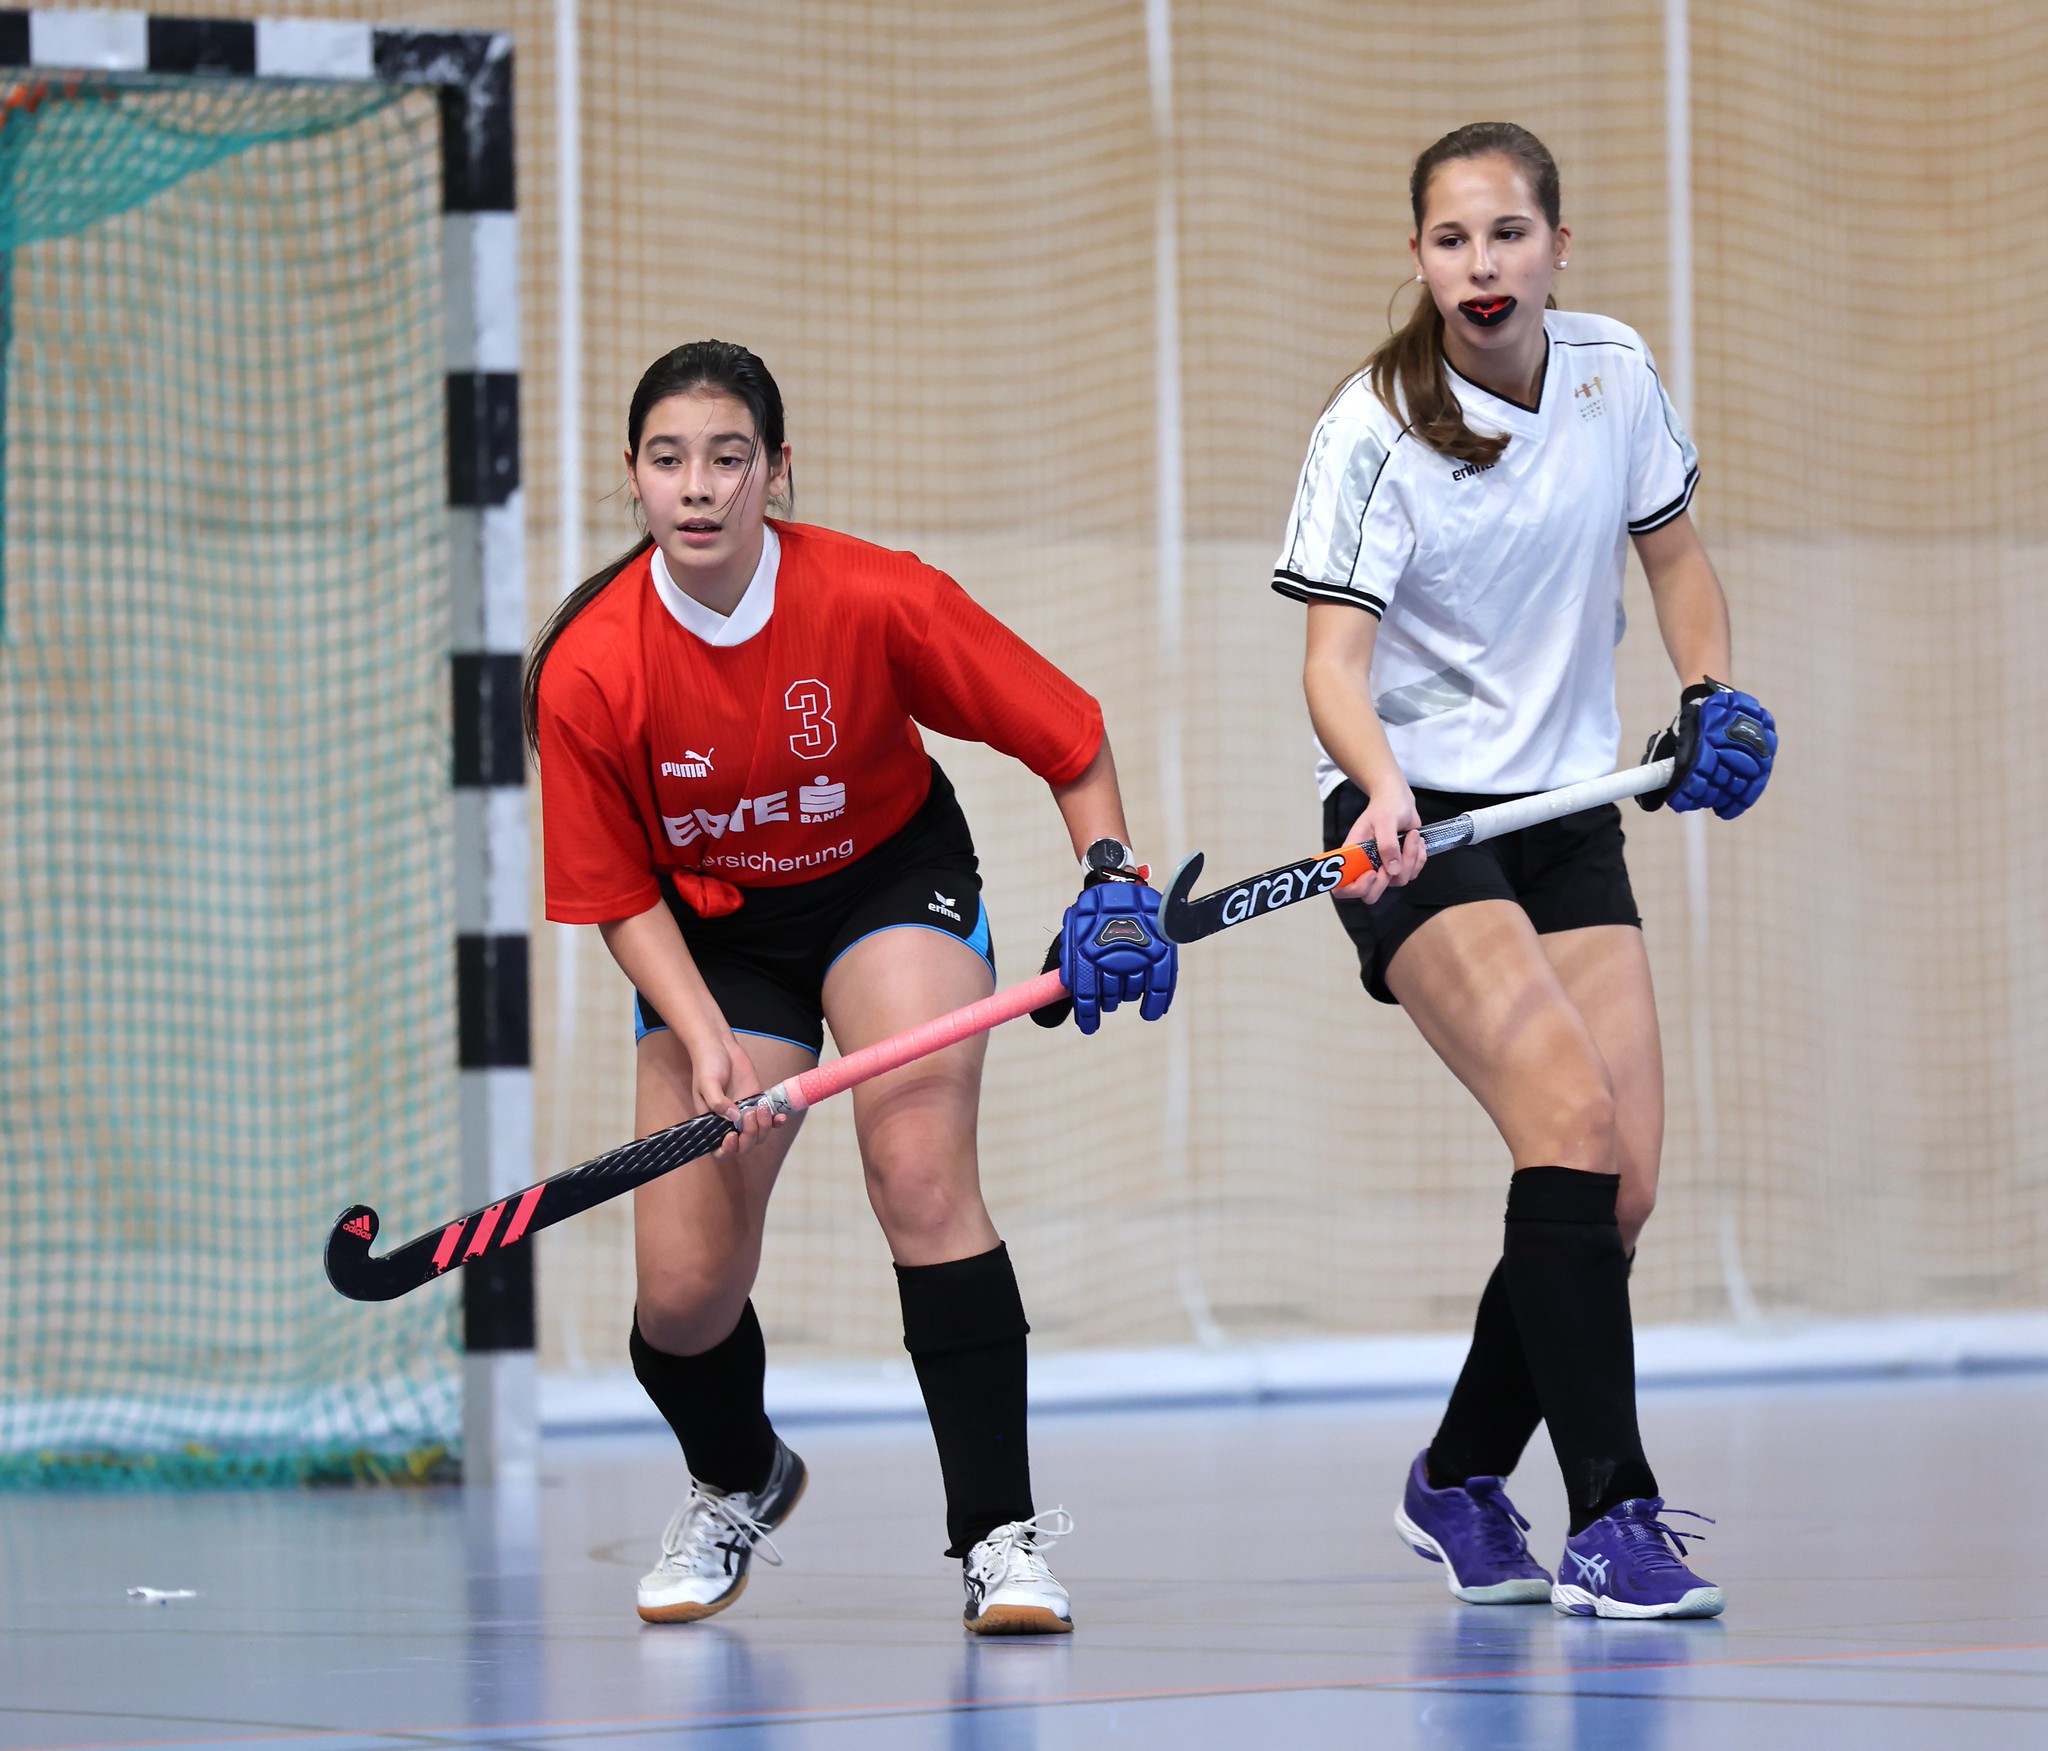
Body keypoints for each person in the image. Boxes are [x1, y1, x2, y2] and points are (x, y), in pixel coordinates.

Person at [525, 340, 1176, 1634]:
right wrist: (705, 1040)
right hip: (715, 937)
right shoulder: (588, 667)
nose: (698, 487)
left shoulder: (878, 597)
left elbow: (1070, 731)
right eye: (668, 460)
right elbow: (615, 895)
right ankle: (737, 1477)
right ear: (632, 477)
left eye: (727, 458)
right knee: (682, 1298)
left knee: (919, 1169)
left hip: (888, 882)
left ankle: (998, 1539)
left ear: (777, 471)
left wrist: (1112, 874)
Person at [1272, 123, 1774, 1619]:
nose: (1481, 265)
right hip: (1414, 825)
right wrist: (1380, 789)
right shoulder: (1371, 427)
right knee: (1566, 1119)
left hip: (1568, 808)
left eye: (1507, 234)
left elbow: (1675, 559)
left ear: (1559, 245)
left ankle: (1457, 1476)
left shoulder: (1614, 373)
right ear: (1417, 258)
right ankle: (1613, 1518)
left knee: (1617, 1190)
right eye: (1451, 240)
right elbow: (1333, 663)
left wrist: (1709, 696)